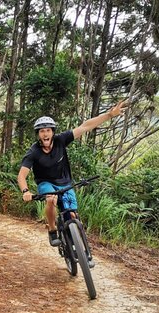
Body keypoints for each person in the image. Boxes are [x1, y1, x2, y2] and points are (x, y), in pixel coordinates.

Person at [18, 101, 128, 246]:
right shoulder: (34, 152)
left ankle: (83, 250)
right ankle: (52, 229)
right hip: (46, 183)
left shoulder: (60, 140)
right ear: (38, 134)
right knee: (51, 199)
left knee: (73, 215)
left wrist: (109, 115)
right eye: (42, 131)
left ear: (52, 132)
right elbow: (21, 175)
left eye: (48, 130)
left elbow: (85, 126)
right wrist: (25, 191)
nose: (45, 133)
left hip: (65, 182)